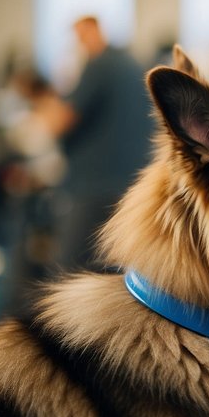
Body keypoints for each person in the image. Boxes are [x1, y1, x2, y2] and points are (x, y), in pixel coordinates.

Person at [40, 16, 154, 273]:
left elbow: (59, 122)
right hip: (128, 181)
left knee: (65, 271)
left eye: (79, 36)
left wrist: (50, 96)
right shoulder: (132, 63)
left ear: (93, 30)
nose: (77, 44)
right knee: (111, 268)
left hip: (94, 185)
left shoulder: (99, 66)